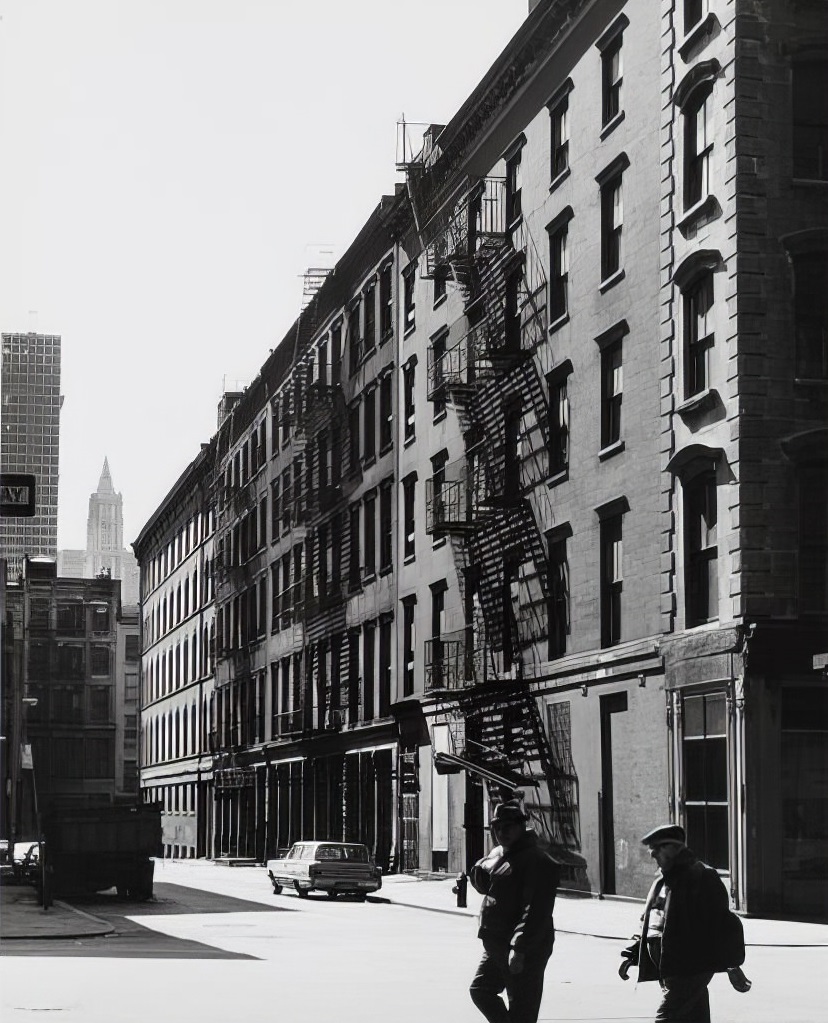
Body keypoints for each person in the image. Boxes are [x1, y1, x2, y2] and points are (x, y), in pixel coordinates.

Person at [618, 824, 751, 1022]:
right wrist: (633, 953)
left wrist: (732, 965)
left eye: (657, 848)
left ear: (673, 848)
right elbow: (649, 920)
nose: (652, 854)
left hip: (690, 968)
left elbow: (724, 925)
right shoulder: (662, 881)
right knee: (694, 1017)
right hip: (670, 968)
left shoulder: (702, 877)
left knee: (666, 1018)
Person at [468, 799, 561, 1023]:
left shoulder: (536, 860)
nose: (501, 832)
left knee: (522, 1010)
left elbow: (535, 911)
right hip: (497, 943)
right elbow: (483, 885)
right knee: (481, 989)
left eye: (508, 827)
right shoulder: (502, 855)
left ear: (521, 827)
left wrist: (519, 948)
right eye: (497, 828)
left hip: (521, 948)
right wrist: (485, 866)